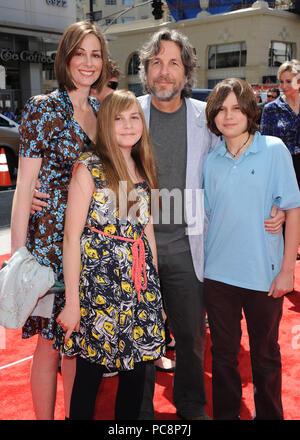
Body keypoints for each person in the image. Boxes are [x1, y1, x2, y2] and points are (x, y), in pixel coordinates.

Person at [137, 28, 285, 420]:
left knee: (190, 339)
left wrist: (279, 206)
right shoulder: (127, 113)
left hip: (190, 246)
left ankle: (191, 407)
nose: (164, 72)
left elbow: (242, 165)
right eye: (156, 63)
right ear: (145, 71)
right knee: (140, 338)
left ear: (188, 73)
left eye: (173, 63)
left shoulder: (208, 121)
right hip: (137, 247)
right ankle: (139, 412)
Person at [10, 21, 109, 420]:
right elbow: (23, 189)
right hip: (50, 248)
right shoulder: (43, 108)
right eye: (79, 53)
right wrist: (18, 260)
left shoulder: (102, 110)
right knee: (49, 347)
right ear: (65, 59)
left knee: (78, 342)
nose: (88, 62)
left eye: (96, 54)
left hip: (88, 244)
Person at [54, 90, 165, 420]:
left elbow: (144, 232)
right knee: (89, 377)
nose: (128, 125)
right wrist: (72, 302)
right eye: (118, 118)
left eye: (134, 117)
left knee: (135, 374)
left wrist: (154, 294)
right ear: (105, 124)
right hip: (98, 291)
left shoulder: (140, 167)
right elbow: (71, 238)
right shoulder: (88, 168)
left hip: (138, 288)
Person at [203, 78, 300, 420]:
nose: (228, 116)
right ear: (213, 116)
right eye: (221, 109)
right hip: (218, 277)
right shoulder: (210, 161)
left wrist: (288, 269)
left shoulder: (273, 149)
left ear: (250, 112)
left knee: (265, 355)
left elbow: (293, 207)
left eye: (236, 108)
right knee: (223, 356)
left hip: (264, 274)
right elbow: (208, 215)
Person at [260, 59, 300, 188]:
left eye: (288, 81)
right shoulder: (271, 109)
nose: (283, 86)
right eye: (281, 82)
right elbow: (265, 144)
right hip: (282, 168)